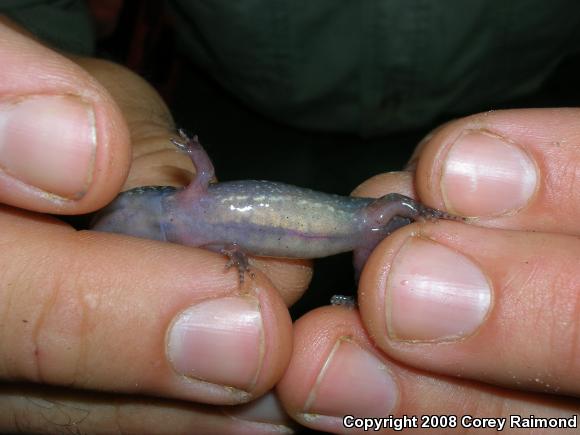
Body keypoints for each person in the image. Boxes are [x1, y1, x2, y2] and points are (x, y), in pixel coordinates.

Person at [0, 2, 579, 433]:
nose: (121, 222)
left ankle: (406, 249)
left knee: (386, 216)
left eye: (120, 218)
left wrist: (187, 148)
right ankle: (367, 294)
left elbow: (199, 170)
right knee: (370, 252)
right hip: (249, 112)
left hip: (500, 101)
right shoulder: (186, 231)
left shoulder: (185, 201)